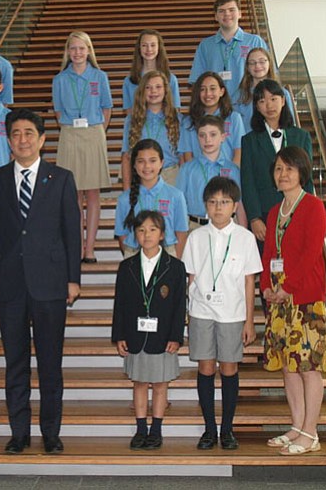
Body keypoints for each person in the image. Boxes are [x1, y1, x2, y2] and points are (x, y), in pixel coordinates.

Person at [0, 108, 81, 455]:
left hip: (51, 283)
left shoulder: (62, 178)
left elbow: (72, 232)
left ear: (42, 139)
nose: (22, 139)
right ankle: (19, 432)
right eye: (16, 134)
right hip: (8, 284)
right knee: (16, 363)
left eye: (29, 133)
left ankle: (51, 433)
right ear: (8, 140)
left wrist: (73, 279)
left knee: (51, 363)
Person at [261, 146, 326, 455]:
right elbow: (268, 254)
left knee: (308, 367)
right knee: (288, 367)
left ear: (301, 172)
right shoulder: (273, 211)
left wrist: (288, 287)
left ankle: (311, 432)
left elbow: (309, 256)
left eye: (289, 168)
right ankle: (296, 426)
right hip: (279, 301)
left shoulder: (314, 206)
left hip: (304, 299)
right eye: (279, 168)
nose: (283, 174)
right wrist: (265, 286)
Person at [182, 177, 262, 450]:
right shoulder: (196, 237)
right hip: (202, 311)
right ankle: (208, 429)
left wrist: (249, 320)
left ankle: (227, 429)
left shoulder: (245, 238)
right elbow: (190, 277)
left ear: (235, 206)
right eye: (213, 202)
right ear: (205, 206)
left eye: (225, 202)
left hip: (232, 313)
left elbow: (250, 281)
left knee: (229, 368)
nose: (218, 207)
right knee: (205, 368)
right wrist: (187, 314)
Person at [111, 210, 186, 451]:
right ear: (135, 235)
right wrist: (118, 335)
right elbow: (119, 304)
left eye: (153, 229)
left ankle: (156, 429)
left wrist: (176, 336)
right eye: (141, 230)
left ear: (162, 234)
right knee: (140, 382)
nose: (147, 235)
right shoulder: (127, 267)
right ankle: (141, 428)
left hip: (163, 336)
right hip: (135, 335)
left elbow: (179, 306)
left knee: (161, 384)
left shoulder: (174, 267)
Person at [52, 31, 112, 263]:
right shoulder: (60, 79)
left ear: (89, 51)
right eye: (73, 48)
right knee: (73, 195)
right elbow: (58, 111)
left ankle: (90, 248)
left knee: (93, 194)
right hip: (69, 135)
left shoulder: (99, 77)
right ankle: (76, 247)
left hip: (93, 132)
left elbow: (107, 107)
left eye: (81, 48)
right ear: (67, 52)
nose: (77, 53)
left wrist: (98, 131)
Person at [241, 79, 314, 247]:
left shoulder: (301, 136)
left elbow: (307, 178)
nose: (269, 105)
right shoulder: (249, 141)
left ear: (283, 100)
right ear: (257, 107)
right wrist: (254, 217)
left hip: (296, 211)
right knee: (268, 265)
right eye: (262, 100)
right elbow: (248, 182)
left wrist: (307, 212)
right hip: (265, 216)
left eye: (273, 98)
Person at [188, 0, 269, 104]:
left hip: (249, 106)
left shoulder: (255, 41)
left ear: (240, 13)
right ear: (215, 16)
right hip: (216, 109)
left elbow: (269, 77)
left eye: (231, 10)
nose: (227, 14)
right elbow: (197, 82)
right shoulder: (205, 46)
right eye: (221, 11)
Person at [115, 139, 188, 259]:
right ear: (134, 164)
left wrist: (175, 261)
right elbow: (122, 235)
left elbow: (181, 233)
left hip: (167, 253)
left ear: (161, 163)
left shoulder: (176, 195)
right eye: (141, 161)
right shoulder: (124, 199)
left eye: (152, 161)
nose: (147, 166)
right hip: (134, 253)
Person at [177, 115, 247, 230]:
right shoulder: (187, 169)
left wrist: (243, 232)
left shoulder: (233, 169)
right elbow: (179, 205)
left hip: (227, 226)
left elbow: (239, 205)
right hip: (195, 226)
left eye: (213, 134)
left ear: (223, 137)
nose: (207, 140)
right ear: (197, 138)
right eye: (202, 135)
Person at [121, 70, 182, 188]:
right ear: (142, 92)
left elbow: (183, 157)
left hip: (170, 176)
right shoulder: (132, 120)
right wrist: (127, 190)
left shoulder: (178, 120)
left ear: (165, 91)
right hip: (141, 175)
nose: (153, 91)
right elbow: (126, 157)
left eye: (158, 87)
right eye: (148, 87)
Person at [179, 71, 244, 165]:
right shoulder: (188, 122)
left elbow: (239, 152)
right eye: (202, 89)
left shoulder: (234, 118)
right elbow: (187, 156)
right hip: (199, 176)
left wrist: (232, 174)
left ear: (222, 91)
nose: (208, 93)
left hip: (228, 175)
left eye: (212, 89)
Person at [234, 47, 294, 133]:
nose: (257, 66)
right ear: (247, 67)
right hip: (248, 143)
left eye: (262, 61)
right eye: (252, 63)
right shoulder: (239, 94)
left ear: (269, 63)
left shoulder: (283, 93)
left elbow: (289, 123)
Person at [122, 29, 181, 114]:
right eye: (144, 45)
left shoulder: (171, 79)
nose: (149, 49)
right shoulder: (129, 81)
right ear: (139, 48)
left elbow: (175, 112)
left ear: (159, 48)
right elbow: (130, 114)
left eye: (153, 45)